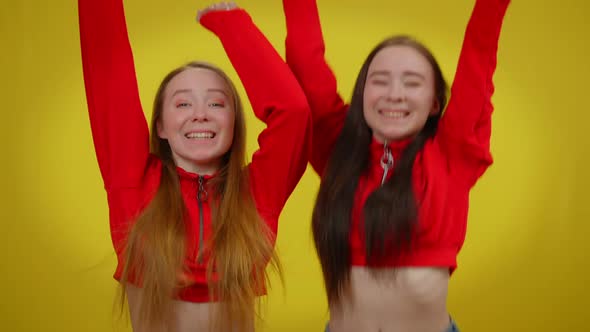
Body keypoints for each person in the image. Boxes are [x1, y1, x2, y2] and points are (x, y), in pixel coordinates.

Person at [78, 0, 311, 331]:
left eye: (216, 103)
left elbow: (294, 112)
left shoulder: (258, 193)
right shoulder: (132, 184)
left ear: (234, 123)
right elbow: (107, 73)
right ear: (160, 126)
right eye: (183, 103)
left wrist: (230, 24)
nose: (200, 113)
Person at [282, 0, 510, 331]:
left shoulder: (453, 154)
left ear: (434, 103)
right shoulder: (339, 152)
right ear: (362, 94)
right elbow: (306, 64)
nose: (394, 94)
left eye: (412, 82)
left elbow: (479, 56)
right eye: (380, 80)